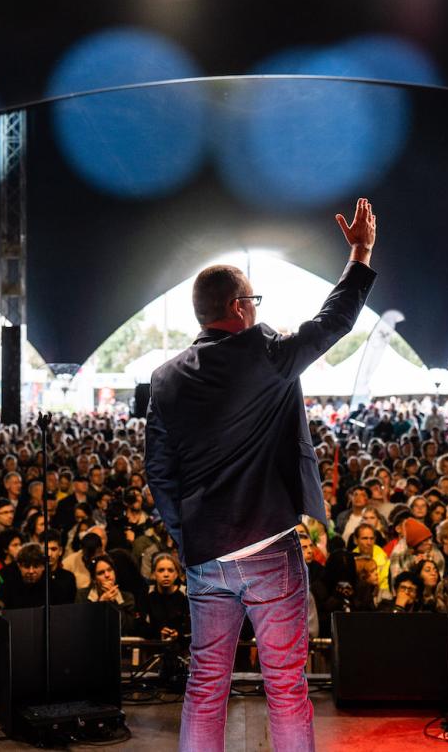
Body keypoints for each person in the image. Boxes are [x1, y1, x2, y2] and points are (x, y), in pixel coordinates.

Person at [146, 197, 377, 752]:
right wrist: (360, 254)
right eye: (253, 298)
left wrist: (188, 536)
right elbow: (334, 321)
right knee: (286, 688)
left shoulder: (165, 379)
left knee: (206, 686)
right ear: (239, 306)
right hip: (270, 547)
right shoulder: (266, 355)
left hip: (207, 555)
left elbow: (159, 473)